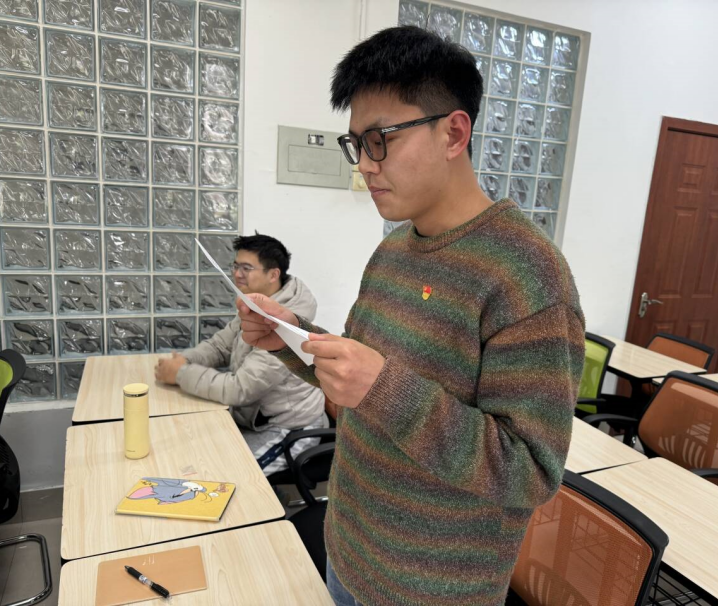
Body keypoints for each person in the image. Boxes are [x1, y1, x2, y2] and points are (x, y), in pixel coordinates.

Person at [238, 26, 585, 606]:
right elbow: (356, 377)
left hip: (431, 590)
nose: (364, 166)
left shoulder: (528, 276)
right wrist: (286, 339)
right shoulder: (393, 250)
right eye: (356, 144)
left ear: (454, 133)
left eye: (380, 140)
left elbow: (529, 471)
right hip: (349, 548)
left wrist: (384, 389)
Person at [154, 234, 327, 475]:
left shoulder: (287, 324)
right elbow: (220, 346)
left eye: (246, 268)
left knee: (228, 478)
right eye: (235, 266)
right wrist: (186, 360)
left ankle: (273, 495)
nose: (237, 274)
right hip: (252, 418)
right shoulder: (258, 304)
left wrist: (180, 373)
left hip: (288, 429)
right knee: (192, 455)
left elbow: (241, 388)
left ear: (273, 274)